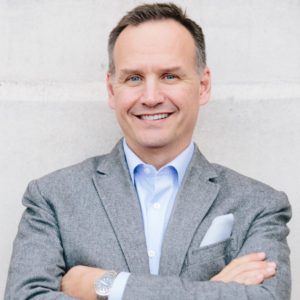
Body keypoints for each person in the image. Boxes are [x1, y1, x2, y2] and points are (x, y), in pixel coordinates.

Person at [5, 3, 291, 300]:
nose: (151, 97)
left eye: (169, 76)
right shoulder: (52, 198)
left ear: (203, 86)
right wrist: (215, 290)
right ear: (112, 90)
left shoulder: (260, 205)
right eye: (134, 78)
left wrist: (107, 285)